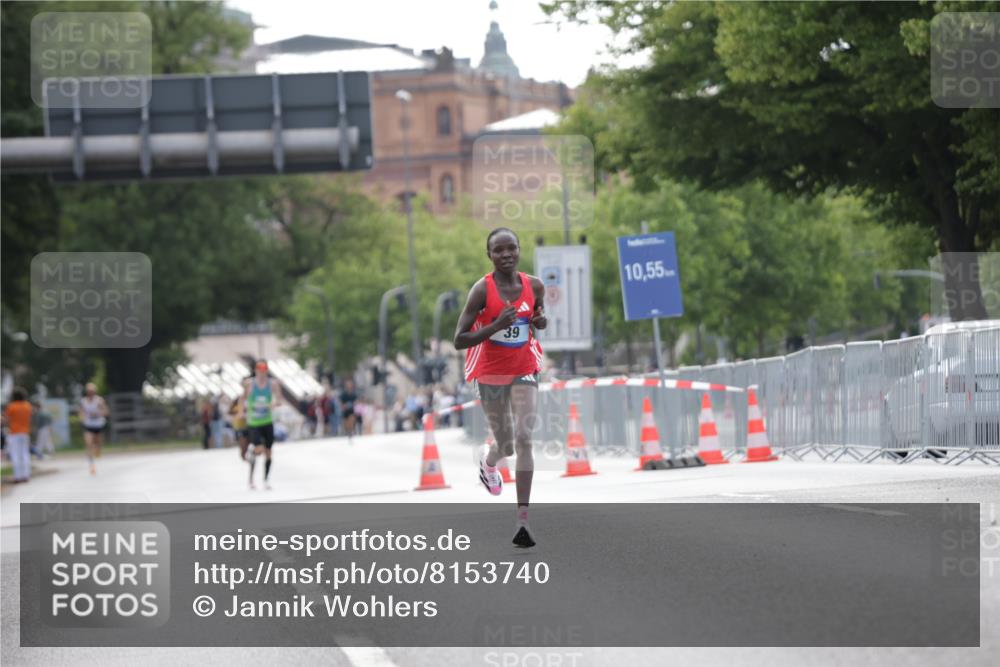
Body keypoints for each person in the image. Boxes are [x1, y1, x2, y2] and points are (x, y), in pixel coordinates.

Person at [453, 227, 547, 548]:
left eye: (512, 249)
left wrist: (540, 321)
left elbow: (538, 313)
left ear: (519, 250)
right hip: (490, 372)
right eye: (499, 250)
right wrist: (495, 325)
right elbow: (459, 339)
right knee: (506, 445)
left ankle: (523, 520)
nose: (506, 255)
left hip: (524, 368)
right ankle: (489, 461)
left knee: (524, 438)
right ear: (489, 255)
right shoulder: (481, 291)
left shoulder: (534, 285)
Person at [241, 360, 281, 490]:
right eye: (259, 369)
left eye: (264, 370)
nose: (262, 372)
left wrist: (273, 404)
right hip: (254, 422)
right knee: (258, 450)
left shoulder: (273, 384)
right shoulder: (249, 384)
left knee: (269, 453)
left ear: (267, 370)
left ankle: (265, 479)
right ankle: (251, 476)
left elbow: (279, 400)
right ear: (256, 370)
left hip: (267, 421)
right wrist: (241, 412)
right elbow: (242, 399)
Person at [4, 388, 33, 483]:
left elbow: (7, 420)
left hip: (14, 433)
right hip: (25, 432)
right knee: (25, 454)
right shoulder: (28, 406)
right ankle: (26, 475)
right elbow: (30, 419)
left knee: (15, 454)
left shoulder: (11, 406)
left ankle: (17, 476)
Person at [79, 383, 109, 475]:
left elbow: (106, 412)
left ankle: (98, 450)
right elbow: (81, 412)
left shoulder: (99, 400)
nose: (90, 393)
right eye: (89, 391)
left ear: (94, 392)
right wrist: (82, 418)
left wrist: (98, 413)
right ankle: (92, 466)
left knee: (98, 445)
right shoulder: (83, 401)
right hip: (88, 425)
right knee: (89, 445)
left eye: (92, 391)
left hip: (98, 425)